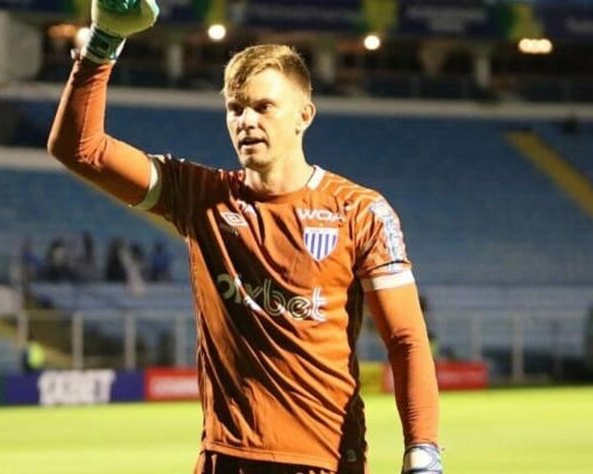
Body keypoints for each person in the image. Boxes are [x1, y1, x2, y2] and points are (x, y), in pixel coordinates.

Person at [47, 2, 441, 473]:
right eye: (235, 109)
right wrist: (103, 42)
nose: (246, 121)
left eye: (263, 107)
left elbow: (406, 339)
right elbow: (79, 149)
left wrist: (422, 449)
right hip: (223, 459)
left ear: (304, 115)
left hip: (323, 461)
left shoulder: (361, 211)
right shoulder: (199, 196)